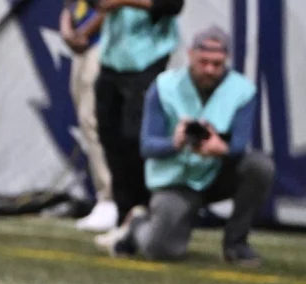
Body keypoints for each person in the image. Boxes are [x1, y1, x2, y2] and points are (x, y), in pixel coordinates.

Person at [106, 27, 271, 266]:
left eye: (217, 64)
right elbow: (147, 146)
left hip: (215, 173)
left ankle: (236, 243)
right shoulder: (164, 86)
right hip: (176, 178)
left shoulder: (242, 90)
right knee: (161, 250)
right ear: (190, 55)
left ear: (227, 59)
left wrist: (220, 148)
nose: (209, 69)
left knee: (259, 166)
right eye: (203, 62)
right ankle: (137, 226)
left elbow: (239, 145)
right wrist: (176, 143)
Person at [93, 0, 185, 241]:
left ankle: (144, 214)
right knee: (109, 134)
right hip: (113, 50)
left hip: (149, 52)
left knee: (136, 137)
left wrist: (127, 1)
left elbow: (172, 2)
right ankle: (123, 214)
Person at [59, 0, 117, 233]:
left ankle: (110, 196)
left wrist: (86, 31)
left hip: (102, 42)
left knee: (93, 118)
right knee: (84, 117)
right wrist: (67, 29)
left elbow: (110, 0)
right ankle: (103, 193)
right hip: (80, 43)